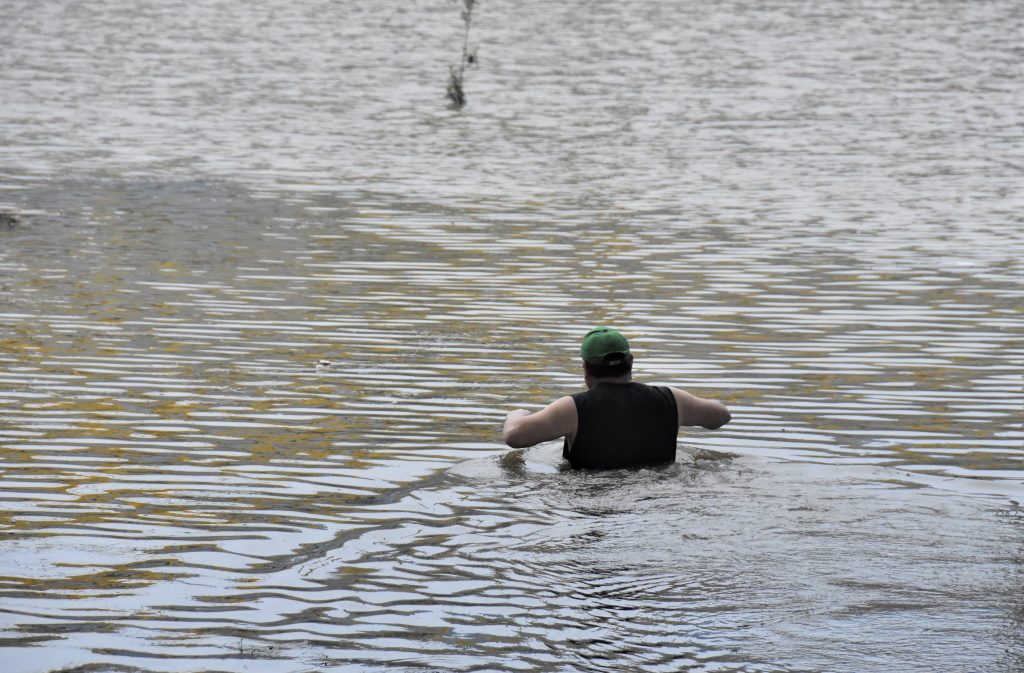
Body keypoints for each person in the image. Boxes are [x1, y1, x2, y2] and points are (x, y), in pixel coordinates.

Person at [502, 326, 731, 469]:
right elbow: (721, 416)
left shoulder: (573, 408)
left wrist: (517, 414)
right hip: (657, 494)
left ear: (585, 369)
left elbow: (514, 436)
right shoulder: (671, 398)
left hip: (594, 497)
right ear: (630, 362)